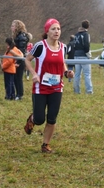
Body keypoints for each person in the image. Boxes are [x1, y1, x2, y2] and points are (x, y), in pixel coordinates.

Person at [23, 18, 74, 153]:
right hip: (41, 87)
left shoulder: (63, 47)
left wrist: (66, 72)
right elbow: (27, 60)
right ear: (47, 31)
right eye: (53, 29)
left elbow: (62, 62)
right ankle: (32, 119)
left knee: (52, 118)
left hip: (57, 86)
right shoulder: (40, 46)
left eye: (58, 29)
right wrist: (34, 73)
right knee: (40, 119)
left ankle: (45, 145)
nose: (56, 31)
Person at [11, 20, 31, 100]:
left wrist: (18, 62)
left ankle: (20, 95)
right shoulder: (17, 36)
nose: (11, 27)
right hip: (16, 59)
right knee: (15, 77)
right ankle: (17, 94)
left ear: (17, 27)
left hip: (20, 60)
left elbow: (21, 50)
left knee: (18, 78)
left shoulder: (21, 37)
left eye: (13, 26)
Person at [73, 20, 93, 94]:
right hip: (84, 56)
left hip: (76, 55)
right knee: (87, 74)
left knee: (77, 74)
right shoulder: (85, 34)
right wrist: (88, 54)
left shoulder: (76, 35)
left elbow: (74, 45)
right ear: (88, 26)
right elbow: (87, 45)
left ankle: (76, 91)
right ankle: (89, 91)